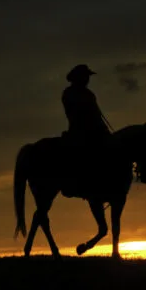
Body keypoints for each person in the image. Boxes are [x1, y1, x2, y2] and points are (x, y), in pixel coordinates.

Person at [61, 64, 113, 195]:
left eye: (87, 77)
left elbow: (96, 114)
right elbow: (73, 114)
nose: (87, 79)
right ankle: (76, 183)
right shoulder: (69, 93)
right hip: (79, 130)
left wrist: (103, 128)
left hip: (95, 128)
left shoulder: (89, 94)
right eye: (85, 77)